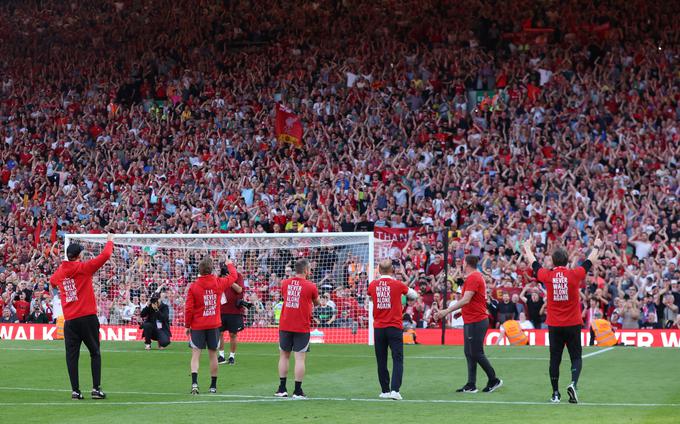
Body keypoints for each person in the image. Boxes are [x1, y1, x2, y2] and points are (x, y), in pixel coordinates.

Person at [523, 237, 602, 404]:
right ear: (567, 261)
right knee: (576, 357)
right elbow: (590, 260)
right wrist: (596, 245)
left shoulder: (548, 275)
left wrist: (527, 248)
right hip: (573, 323)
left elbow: (534, 264)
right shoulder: (574, 274)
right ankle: (573, 384)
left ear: (552, 261)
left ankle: (555, 394)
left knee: (555, 359)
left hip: (554, 324)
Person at [49, 234, 114, 400]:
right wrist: (110, 240)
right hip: (87, 317)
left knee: (72, 356)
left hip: (70, 320)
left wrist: (65, 292)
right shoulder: (84, 268)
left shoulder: (60, 272)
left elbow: (52, 282)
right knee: (95, 352)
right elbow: (106, 255)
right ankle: (95, 389)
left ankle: (75, 391)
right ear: (79, 256)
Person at [436, 255, 502, 394]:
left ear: (466, 263)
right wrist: (461, 312)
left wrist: (447, 310)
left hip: (476, 321)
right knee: (469, 352)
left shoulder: (474, 278)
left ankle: (493, 379)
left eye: (462, 262)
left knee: (476, 353)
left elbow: (466, 299)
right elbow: (473, 301)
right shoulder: (475, 277)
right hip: (472, 319)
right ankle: (471, 384)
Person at [184, 257, 239, 394]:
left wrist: (187, 325)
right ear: (211, 269)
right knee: (213, 355)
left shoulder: (194, 287)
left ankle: (195, 384)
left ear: (200, 270)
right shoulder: (218, 283)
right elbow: (234, 276)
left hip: (198, 325)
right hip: (213, 324)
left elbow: (189, 308)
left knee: (195, 355)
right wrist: (230, 264)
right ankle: (213, 386)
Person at [367, 259, 416, 400]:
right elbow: (414, 295)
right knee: (397, 358)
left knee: (381, 359)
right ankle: (395, 390)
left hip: (379, 327)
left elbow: (370, 297)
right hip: (394, 326)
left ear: (379, 270)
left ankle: (385, 390)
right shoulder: (397, 284)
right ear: (392, 270)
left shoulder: (373, 285)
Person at [276, 259, 320, 399]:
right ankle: (297, 390)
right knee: (300, 358)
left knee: (284, 356)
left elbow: (286, 297)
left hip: (285, 324)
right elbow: (317, 302)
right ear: (306, 270)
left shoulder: (285, 283)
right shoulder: (311, 286)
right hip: (301, 325)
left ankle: (282, 388)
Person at [217, 268, 246, 365]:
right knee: (219, 333)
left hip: (234, 311)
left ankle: (232, 356)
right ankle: (221, 355)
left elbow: (239, 289)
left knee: (233, 334)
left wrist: (229, 279)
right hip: (221, 310)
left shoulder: (238, 276)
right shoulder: (219, 276)